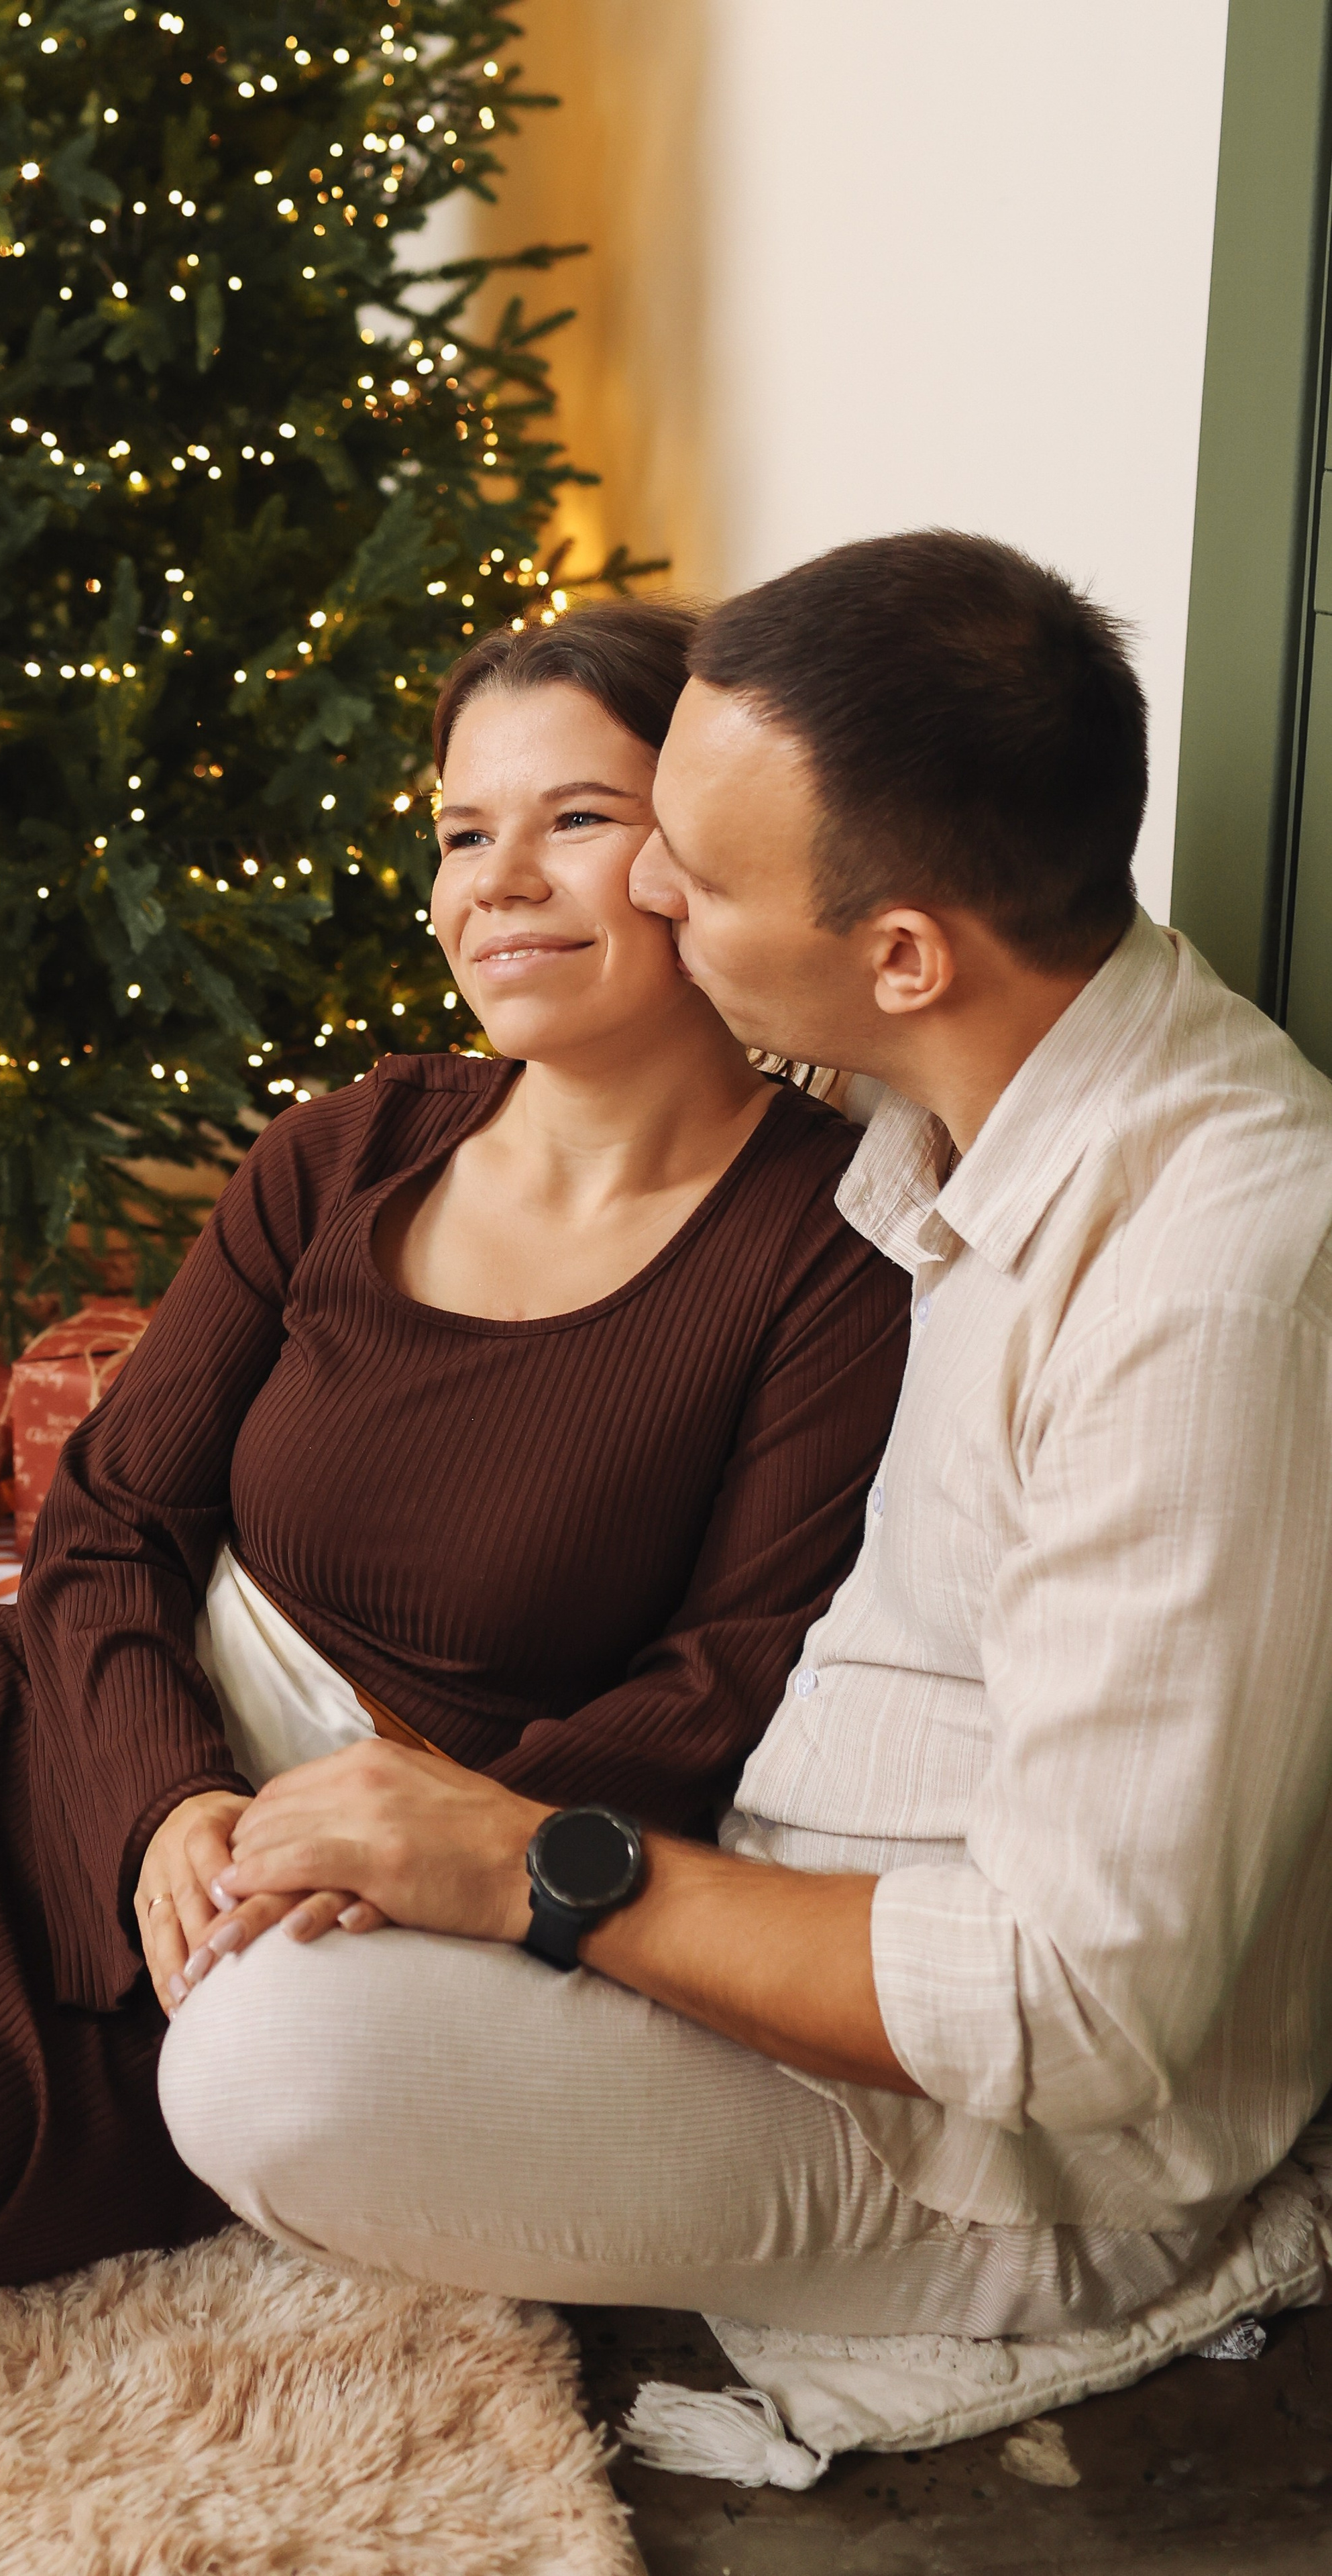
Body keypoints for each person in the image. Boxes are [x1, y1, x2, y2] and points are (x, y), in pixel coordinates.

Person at [0, 600, 907, 2358]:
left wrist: (409, 1860)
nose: (496, 882)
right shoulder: (351, 1146)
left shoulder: (827, 1252)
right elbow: (111, 1522)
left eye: (575, 820)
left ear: (710, 846)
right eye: (464, 832)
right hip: (58, 1734)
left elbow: (725, 1684)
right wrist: (156, 1799)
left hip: (298, 1935)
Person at [162, 531, 1332, 2341]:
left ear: (905, 956)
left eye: (689, 871)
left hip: (980, 2144)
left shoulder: (1215, 1282)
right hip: (742, 1910)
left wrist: (530, 1867)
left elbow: (1077, 2013)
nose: (639, 894)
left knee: (268, 2061)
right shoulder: (957, 1091)